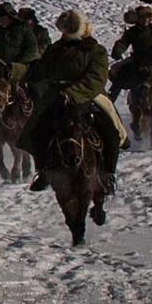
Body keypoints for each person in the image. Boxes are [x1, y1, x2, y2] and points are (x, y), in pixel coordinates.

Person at [22, 10, 123, 192]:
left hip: (86, 97)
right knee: (37, 130)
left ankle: (108, 174)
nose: (64, 34)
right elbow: (40, 70)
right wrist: (15, 71)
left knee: (109, 131)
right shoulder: (55, 50)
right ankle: (43, 171)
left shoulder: (95, 51)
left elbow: (96, 78)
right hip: (55, 97)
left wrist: (72, 92)